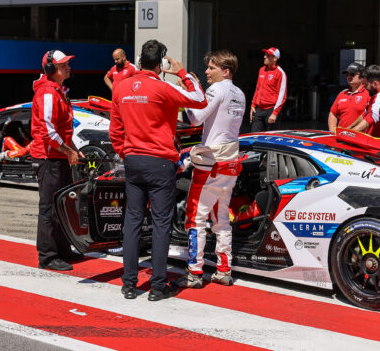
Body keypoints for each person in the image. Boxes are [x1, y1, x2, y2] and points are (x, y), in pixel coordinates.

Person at [110, 40, 207, 301]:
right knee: (161, 223)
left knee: (132, 221)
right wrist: (183, 72)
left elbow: (115, 130)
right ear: (161, 64)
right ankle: (157, 286)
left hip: (133, 160)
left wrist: (126, 152)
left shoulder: (120, 87)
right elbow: (200, 100)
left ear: (140, 60)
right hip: (160, 162)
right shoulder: (163, 86)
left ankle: (129, 284)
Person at [172, 50, 246, 289]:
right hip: (230, 163)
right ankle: (224, 270)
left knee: (195, 219)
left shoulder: (218, 89)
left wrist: (187, 89)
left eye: (211, 68)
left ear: (225, 71)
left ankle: (194, 272)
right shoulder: (240, 93)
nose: (206, 71)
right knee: (221, 219)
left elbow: (195, 118)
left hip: (211, 163)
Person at [30, 50, 85, 271]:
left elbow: (60, 130)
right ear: (52, 69)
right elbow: (47, 131)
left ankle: (62, 250)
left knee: (62, 206)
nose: (68, 67)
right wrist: (68, 151)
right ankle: (47, 256)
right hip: (48, 158)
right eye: (63, 65)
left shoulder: (56, 90)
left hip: (56, 156)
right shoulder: (48, 93)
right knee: (50, 208)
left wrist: (72, 149)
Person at [250, 47, 286, 132]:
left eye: (268, 55)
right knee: (254, 136)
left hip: (271, 110)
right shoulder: (261, 70)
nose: (264, 57)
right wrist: (253, 105)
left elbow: (282, 95)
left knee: (271, 139)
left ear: (275, 58)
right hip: (259, 109)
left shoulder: (280, 73)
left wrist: (275, 113)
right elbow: (257, 88)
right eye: (265, 54)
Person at [328, 62, 369, 134]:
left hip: (360, 139)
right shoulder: (342, 94)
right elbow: (333, 113)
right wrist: (332, 132)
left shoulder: (368, 94)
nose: (349, 77)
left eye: (352, 74)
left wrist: (352, 131)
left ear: (362, 77)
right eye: (347, 75)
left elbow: (370, 116)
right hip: (341, 137)